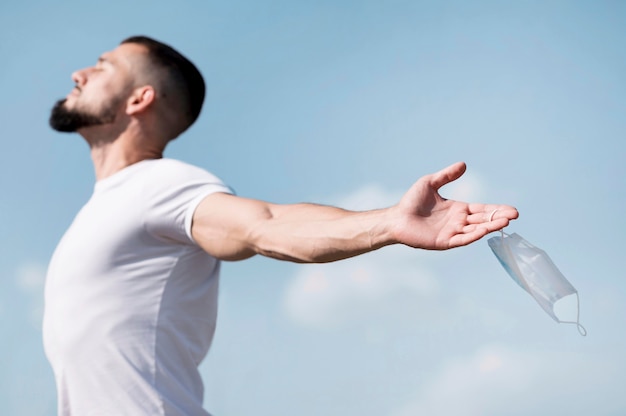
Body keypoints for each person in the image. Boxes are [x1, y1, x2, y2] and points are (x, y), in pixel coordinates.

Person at [44, 35, 518, 416]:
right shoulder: (107, 204)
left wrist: (391, 222)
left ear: (139, 98)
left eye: (102, 65)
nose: (79, 73)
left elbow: (266, 224)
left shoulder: (160, 184)